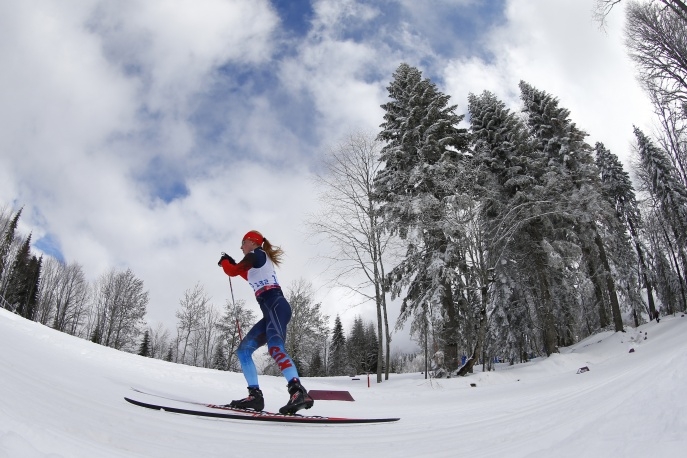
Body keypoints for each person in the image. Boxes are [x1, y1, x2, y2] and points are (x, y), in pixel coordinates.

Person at [217, 230, 314, 415]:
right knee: (243, 350)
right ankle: (255, 396)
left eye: (243, 242)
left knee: (275, 348)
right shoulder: (256, 261)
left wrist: (225, 263)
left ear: (252, 242)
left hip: (277, 307)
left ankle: (298, 392)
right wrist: (232, 264)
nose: (241, 247)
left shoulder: (257, 254)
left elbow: (233, 271)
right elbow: (241, 273)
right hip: (271, 312)